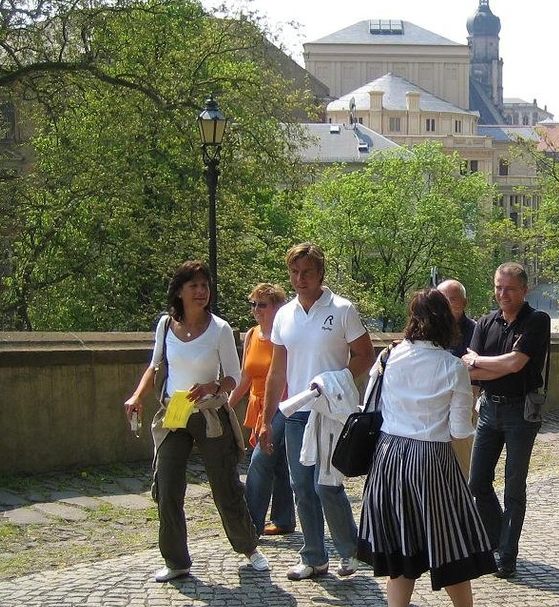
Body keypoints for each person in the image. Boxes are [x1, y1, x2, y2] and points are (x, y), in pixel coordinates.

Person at [356, 289, 501, 607]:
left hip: (388, 456)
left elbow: (369, 403)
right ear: (446, 321)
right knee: (450, 539)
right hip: (431, 458)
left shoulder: (388, 356)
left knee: (401, 544)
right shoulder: (453, 367)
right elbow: (458, 431)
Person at [124, 260, 269, 582]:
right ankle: (176, 561)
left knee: (225, 486)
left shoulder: (219, 328)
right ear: (180, 291)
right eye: (195, 286)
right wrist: (136, 396)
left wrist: (213, 387)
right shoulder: (166, 325)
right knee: (167, 486)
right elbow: (155, 366)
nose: (202, 291)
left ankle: (249, 547)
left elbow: (234, 376)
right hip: (175, 412)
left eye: (205, 285)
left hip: (209, 413)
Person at [259, 243, 375, 581]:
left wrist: (337, 382)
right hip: (296, 412)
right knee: (302, 487)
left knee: (327, 485)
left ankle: (350, 550)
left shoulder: (342, 309)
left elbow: (365, 355)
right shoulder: (284, 315)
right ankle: (313, 556)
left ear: (320, 272)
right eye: (294, 272)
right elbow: (276, 371)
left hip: (331, 412)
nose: (299, 279)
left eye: (306, 272)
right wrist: (267, 419)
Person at [461, 262, 550, 580]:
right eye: (498, 287)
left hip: (520, 413)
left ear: (524, 290)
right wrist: (484, 367)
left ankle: (507, 556)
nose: (502, 294)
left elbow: (516, 363)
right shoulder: (486, 322)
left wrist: (479, 361)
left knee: (514, 486)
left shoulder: (537, 321)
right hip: (488, 410)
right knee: (477, 483)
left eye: (509, 288)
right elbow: (471, 372)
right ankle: (499, 540)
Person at [229, 283, 295, 536]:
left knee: (260, 461)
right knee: (278, 463)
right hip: (257, 405)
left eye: (262, 305)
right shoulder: (252, 335)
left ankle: (250, 525)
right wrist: (227, 406)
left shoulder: (286, 336)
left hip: (281, 405)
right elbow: (245, 376)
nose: (256, 310)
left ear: (278, 308)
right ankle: (284, 519)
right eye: (254, 304)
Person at [437, 278, 478, 480]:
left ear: (464, 303)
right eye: (441, 299)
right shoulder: (428, 330)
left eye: (452, 299)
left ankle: (463, 500)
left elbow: (476, 367)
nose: (446, 303)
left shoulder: (476, 330)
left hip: (465, 397)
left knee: (461, 455)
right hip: (433, 400)